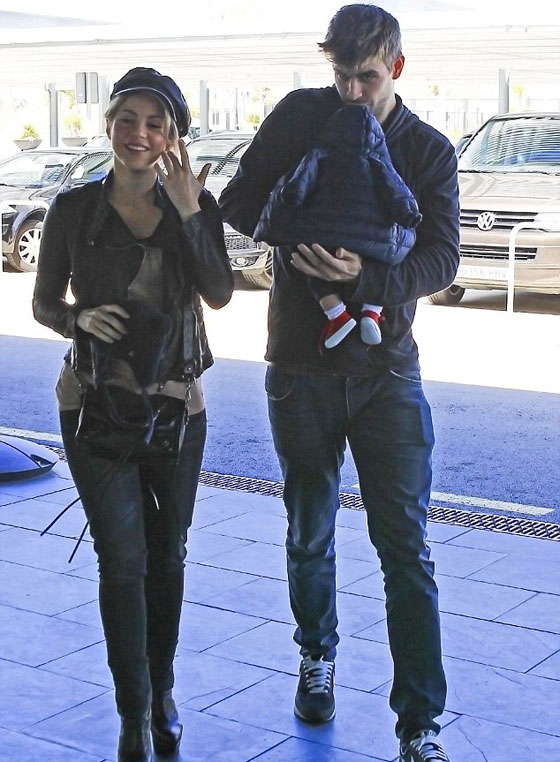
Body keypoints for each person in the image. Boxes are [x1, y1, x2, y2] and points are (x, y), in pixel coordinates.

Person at [220, 5, 459, 761]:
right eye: (341, 75)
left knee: (406, 550)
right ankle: (315, 657)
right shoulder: (300, 116)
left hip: (388, 372)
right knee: (309, 532)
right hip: (301, 364)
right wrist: (304, 230)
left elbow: (443, 259)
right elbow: (239, 201)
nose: (352, 92)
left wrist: (368, 274)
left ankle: (419, 724)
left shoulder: (426, 149)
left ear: (397, 68)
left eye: (367, 76)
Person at [33, 67, 233, 762]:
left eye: (155, 123)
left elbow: (219, 292)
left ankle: (162, 693)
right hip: (93, 406)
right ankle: (132, 713)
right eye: (127, 119)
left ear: (173, 136)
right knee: (122, 562)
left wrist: (190, 211)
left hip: (177, 410)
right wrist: (77, 318)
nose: (138, 134)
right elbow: (44, 303)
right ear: (109, 125)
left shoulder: (195, 205)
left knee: (167, 556)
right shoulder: (73, 209)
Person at [254, 103, 422, 350]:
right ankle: (371, 312)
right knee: (383, 259)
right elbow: (397, 190)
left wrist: (281, 213)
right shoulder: (377, 158)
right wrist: (410, 215)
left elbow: (297, 184)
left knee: (313, 263)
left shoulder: (320, 152)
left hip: (325, 229)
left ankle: (336, 313)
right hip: (371, 234)